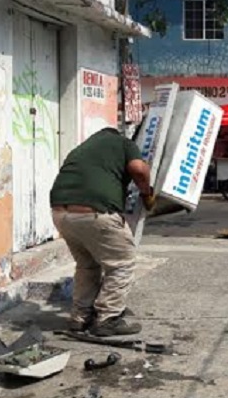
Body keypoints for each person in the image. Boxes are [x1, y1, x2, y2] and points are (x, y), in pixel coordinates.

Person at [49, 127, 156, 337]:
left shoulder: (81, 149)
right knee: (122, 263)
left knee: (87, 265)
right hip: (95, 213)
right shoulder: (123, 143)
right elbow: (139, 169)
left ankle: (80, 317)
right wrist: (147, 193)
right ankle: (108, 318)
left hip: (61, 212)